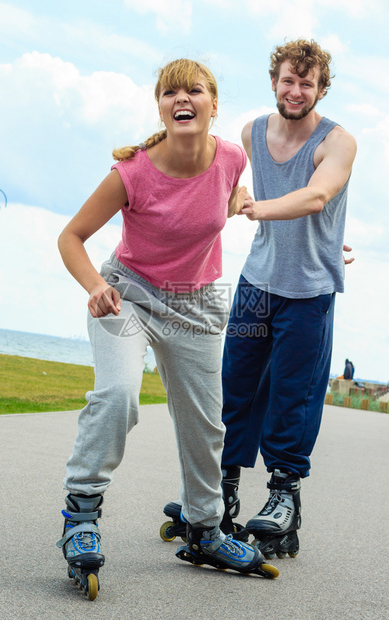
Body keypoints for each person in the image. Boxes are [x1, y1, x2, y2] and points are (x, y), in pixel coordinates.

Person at [56, 58, 278, 599]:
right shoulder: (132, 171)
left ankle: (205, 528)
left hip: (198, 304)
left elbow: (217, 203)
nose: (183, 99)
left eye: (195, 91)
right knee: (117, 396)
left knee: (206, 425)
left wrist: (239, 202)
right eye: (171, 92)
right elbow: (71, 237)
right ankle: (81, 515)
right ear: (160, 106)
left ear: (212, 104)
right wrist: (94, 286)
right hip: (127, 293)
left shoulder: (231, 156)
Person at [220, 39, 357, 560]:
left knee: (293, 395)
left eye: (307, 82)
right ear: (274, 80)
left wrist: (259, 210)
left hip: (309, 291)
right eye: (288, 80)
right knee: (236, 387)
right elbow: (229, 186)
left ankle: (283, 497)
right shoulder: (251, 132)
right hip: (257, 285)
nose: (296, 90)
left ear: (322, 88)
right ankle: (222, 491)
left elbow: (318, 194)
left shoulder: (338, 141)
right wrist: (237, 198)